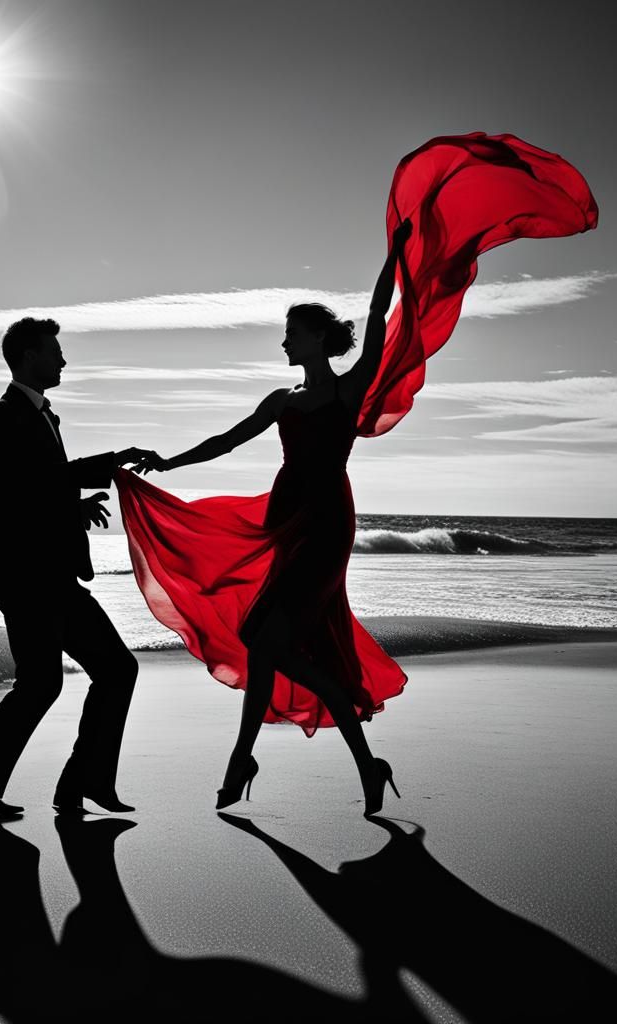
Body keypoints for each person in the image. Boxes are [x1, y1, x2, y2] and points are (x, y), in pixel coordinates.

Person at [131, 221, 415, 814]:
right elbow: (228, 441)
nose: (284, 344)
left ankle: (263, 746)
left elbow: (378, 314)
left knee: (265, 638)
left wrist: (393, 256)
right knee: (263, 646)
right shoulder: (281, 400)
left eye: (291, 334)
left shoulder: (347, 390)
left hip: (326, 522)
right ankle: (354, 764)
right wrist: (168, 462)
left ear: (315, 339)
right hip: (285, 522)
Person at [0, 317, 151, 816]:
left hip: (52, 577)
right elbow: (18, 494)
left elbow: (47, 480)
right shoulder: (2, 417)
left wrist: (102, 475)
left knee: (113, 670)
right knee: (47, 683)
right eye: (54, 351)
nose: (62, 360)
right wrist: (82, 495)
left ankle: (79, 782)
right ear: (27, 356)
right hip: (25, 577)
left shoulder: (42, 416)